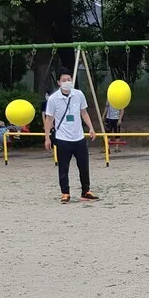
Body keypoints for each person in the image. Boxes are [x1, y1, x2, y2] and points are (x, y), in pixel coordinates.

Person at [43, 68, 99, 203]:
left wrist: (91, 128)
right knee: (63, 167)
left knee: (84, 166)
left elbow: (84, 112)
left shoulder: (79, 94)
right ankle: (65, 192)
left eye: (69, 80)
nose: (67, 82)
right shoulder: (53, 99)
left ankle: (86, 191)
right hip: (63, 138)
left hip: (79, 137)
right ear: (58, 82)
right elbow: (49, 119)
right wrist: (47, 138)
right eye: (64, 80)